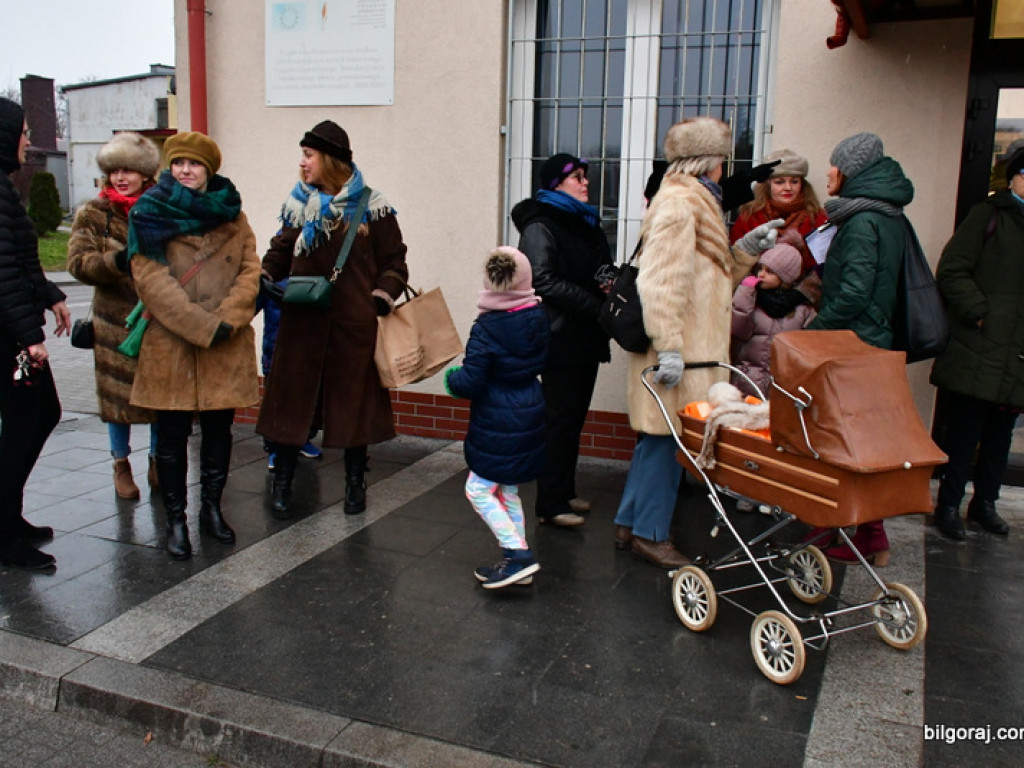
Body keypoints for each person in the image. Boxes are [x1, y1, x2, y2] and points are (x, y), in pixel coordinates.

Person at [615, 116, 779, 568]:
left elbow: (712, 276)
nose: (725, 169)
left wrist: (747, 247)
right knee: (667, 442)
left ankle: (630, 524)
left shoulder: (696, 201)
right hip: (679, 354)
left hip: (690, 352)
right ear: (710, 162)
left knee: (659, 441)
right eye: (722, 161)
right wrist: (668, 346)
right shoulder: (680, 203)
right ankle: (650, 534)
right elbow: (661, 282)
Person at [257, 121, 409, 518]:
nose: (302, 163)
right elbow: (281, 249)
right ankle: (283, 484)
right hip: (301, 324)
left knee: (352, 411)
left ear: (329, 159)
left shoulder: (372, 205)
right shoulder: (298, 203)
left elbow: (394, 261)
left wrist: (381, 296)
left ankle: (355, 485)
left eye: (308, 155)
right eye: (302, 155)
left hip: (351, 326)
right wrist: (264, 275)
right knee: (291, 410)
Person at [126, 131, 260, 560]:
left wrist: (229, 319)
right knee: (171, 437)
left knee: (219, 432)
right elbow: (150, 278)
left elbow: (250, 270)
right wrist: (202, 324)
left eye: (195, 164)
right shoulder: (149, 213)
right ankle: (177, 519)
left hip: (225, 341)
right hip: (173, 342)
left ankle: (211, 511)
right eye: (179, 162)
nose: (186, 170)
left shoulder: (233, 214)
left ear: (210, 169)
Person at [806, 132, 915, 566]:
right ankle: (872, 536)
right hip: (874, 344)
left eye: (834, 165)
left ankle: (823, 531)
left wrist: (813, 330)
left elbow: (852, 294)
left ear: (850, 170)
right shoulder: (887, 215)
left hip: (852, 348)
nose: (828, 172)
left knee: (834, 440)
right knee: (862, 444)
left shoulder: (862, 221)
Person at [510, 153, 613, 527]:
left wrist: (609, 282)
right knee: (559, 420)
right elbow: (541, 279)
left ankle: (564, 492)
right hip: (559, 335)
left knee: (573, 419)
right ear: (555, 184)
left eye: (586, 176)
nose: (586, 183)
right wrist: (594, 303)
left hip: (584, 334)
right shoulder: (541, 224)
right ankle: (551, 504)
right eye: (577, 177)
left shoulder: (583, 222)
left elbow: (589, 268)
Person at [929, 146, 1024, 540]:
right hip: (980, 344)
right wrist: (981, 313)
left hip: (1017, 350)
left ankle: (985, 503)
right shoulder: (990, 215)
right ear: (1015, 176)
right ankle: (948, 504)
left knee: (1002, 434)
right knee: (966, 430)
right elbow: (952, 270)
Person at [445, 246, 549, 589]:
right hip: (529, 405)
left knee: (477, 489)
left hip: (497, 412)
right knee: (507, 489)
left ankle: (517, 554)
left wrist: (451, 379)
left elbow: (471, 381)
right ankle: (517, 563)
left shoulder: (487, 327)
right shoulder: (538, 317)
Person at [67, 132, 160, 499]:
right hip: (112, 322)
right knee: (115, 399)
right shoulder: (94, 212)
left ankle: (157, 460)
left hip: (154, 316)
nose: (121, 177)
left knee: (155, 395)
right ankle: (121, 464)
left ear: (145, 174)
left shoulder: (159, 208)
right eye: (115, 170)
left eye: (129, 170)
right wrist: (114, 262)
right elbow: (77, 262)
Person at [0, 98, 71, 570]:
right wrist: (30, 337)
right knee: (25, 425)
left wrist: (51, 293)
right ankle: (4, 535)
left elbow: (23, 263)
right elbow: (2, 272)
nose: (28, 139)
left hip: (13, 332)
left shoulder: (4, 190)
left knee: (43, 414)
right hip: (7, 339)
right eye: (24, 132)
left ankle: (9, 517)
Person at [730, 243, 817, 399]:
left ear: (785, 277)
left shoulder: (802, 310)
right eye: (760, 269)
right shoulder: (752, 300)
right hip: (748, 381)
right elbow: (738, 329)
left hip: (783, 386)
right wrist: (744, 291)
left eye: (769, 272)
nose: (761, 275)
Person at [256, 282, 322, 470]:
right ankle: (274, 449)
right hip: (275, 353)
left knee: (307, 401)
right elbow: (250, 306)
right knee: (275, 403)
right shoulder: (270, 278)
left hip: (306, 353)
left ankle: (302, 439)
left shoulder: (316, 273)